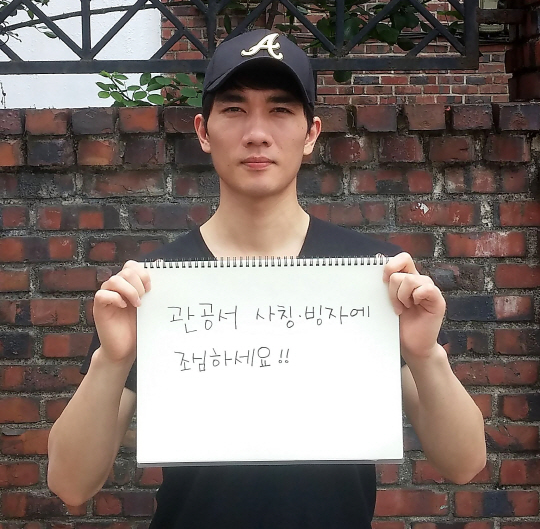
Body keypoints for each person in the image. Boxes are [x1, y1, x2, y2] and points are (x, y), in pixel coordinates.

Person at [47, 29, 486, 529]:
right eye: (235, 109)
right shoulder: (152, 288)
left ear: (311, 133)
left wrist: (425, 355)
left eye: (280, 109)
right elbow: (71, 484)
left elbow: (464, 463)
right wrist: (111, 360)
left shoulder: (375, 278)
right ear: (203, 131)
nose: (257, 133)